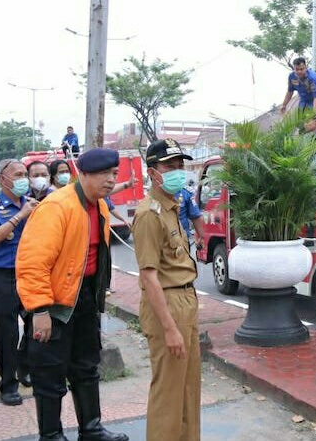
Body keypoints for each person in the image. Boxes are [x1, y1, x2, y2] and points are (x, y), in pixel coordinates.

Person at [16, 148, 129, 441]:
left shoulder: (99, 205)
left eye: (114, 174)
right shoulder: (57, 206)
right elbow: (32, 263)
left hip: (85, 298)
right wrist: (40, 310)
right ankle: (51, 435)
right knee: (49, 373)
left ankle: (91, 429)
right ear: (84, 175)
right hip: (54, 304)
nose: (110, 180)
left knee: (86, 366)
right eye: (103, 174)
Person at [132, 138, 200, 441]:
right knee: (169, 393)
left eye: (180, 165)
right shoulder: (149, 214)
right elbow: (149, 276)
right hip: (167, 304)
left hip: (184, 299)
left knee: (188, 389)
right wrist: (170, 328)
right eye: (170, 166)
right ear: (152, 173)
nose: (178, 171)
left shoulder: (172, 207)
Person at [0, 159, 37, 405]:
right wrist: (20, 216)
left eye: (25, 174)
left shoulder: (33, 204)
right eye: (18, 174)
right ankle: (8, 385)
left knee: (37, 325)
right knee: (7, 333)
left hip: (31, 274)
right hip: (4, 277)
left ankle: (24, 365)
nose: (25, 179)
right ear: (3, 179)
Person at [280, 57, 316, 121]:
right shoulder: (292, 77)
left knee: (311, 122)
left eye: (301, 69)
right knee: (300, 122)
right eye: (297, 69)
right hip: (303, 99)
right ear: (294, 69)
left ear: (306, 68)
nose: (299, 71)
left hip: (315, 99)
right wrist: (284, 105)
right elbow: (290, 92)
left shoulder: (312, 78)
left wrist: (314, 115)